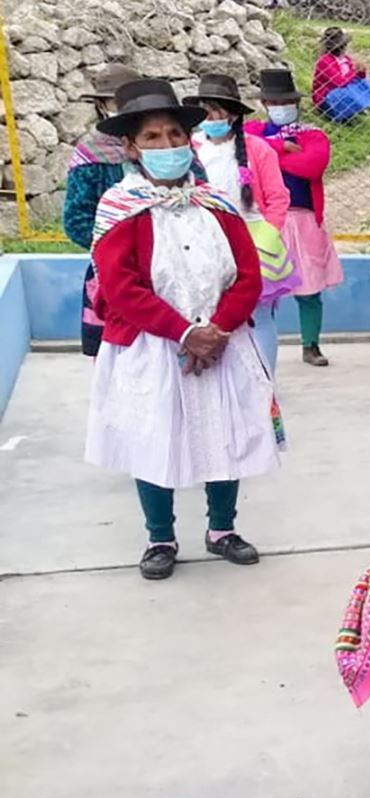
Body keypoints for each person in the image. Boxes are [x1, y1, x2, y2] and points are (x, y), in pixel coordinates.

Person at [83, 79, 280, 581]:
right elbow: (121, 287)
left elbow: (247, 273)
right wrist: (184, 333)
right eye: (153, 137)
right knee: (156, 437)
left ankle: (222, 529)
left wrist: (218, 329)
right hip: (154, 346)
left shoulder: (216, 203)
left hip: (222, 340)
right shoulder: (119, 208)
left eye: (175, 135)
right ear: (131, 147)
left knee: (226, 429)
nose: (167, 146)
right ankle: (160, 537)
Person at [187, 73, 292, 378]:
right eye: (204, 111)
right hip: (207, 241)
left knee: (258, 315)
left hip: (253, 242)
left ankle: (264, 379)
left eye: (216, 111)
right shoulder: (192, 149)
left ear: (232, 114)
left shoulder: (257, 150)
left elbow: (277, 198)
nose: (210, 118)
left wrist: (267, 238)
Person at [246, 69, 343, 368]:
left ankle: (310, 345)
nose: (280, 106)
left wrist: (268, 154)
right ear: (264, 103)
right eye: (273, 102)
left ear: (296, 104)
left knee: (310, 288)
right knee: (263, 292)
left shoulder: (313, 134)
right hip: (265, 221)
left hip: (303, 220)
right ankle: (259, 345)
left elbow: (312, 166)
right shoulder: (253, 131)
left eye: (285, 101)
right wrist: (280, 147)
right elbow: (245, 145)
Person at [66, 64, 140, 358]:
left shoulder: (161, 145)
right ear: (101, 105)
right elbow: (76, 220)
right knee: (113, 354)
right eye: (115, 102)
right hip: (111, 270)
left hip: (167, 265)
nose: (123, 109)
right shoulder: (90, 157)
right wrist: (119, 252)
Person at [311, 26, 369, 112]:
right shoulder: (325, 61)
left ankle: (357, 105)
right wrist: (354, 71)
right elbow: (340, 82)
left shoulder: (346, 59)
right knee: (344, 92)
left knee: (366, 84)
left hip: (344, 91)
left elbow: (358, 77)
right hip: (328, 95)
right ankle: (351, 107)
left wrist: (361, 70)